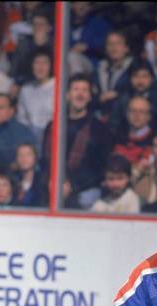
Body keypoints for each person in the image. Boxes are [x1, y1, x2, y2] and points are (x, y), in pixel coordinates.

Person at [41, 74, 112, 208]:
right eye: (75, 89)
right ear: (67, 94)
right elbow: (45, 160)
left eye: (84, 90)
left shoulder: (99, 129)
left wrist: (72, 186)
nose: (80, 94)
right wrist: (53, 182)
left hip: (85, 189)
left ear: (90, 96)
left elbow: (101, 167)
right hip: (53, 187)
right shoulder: (53, 126)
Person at [16, 48, 54, 149]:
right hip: (31, 139)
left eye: (45, 63)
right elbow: (22, 119)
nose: (40, 67)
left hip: (53, 137)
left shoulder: (59, 87)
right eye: (37, 63)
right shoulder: (26, 90)